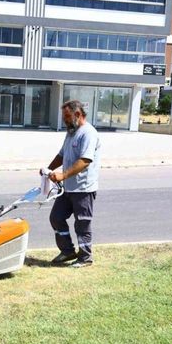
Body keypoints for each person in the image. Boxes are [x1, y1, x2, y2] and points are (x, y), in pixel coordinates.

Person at [43, 100, 101, 268]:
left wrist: (63, 175)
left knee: (82, 223)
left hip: (83, 188)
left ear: (78, 114)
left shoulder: (88, 133)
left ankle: (85, 258)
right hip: (68, 187)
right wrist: (47, 169)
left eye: (67, 117)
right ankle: (67, 251)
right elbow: (61, 155)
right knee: (56, 217)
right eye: (64, 117)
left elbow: (85, 160)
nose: (64, 120)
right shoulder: (71, 132)